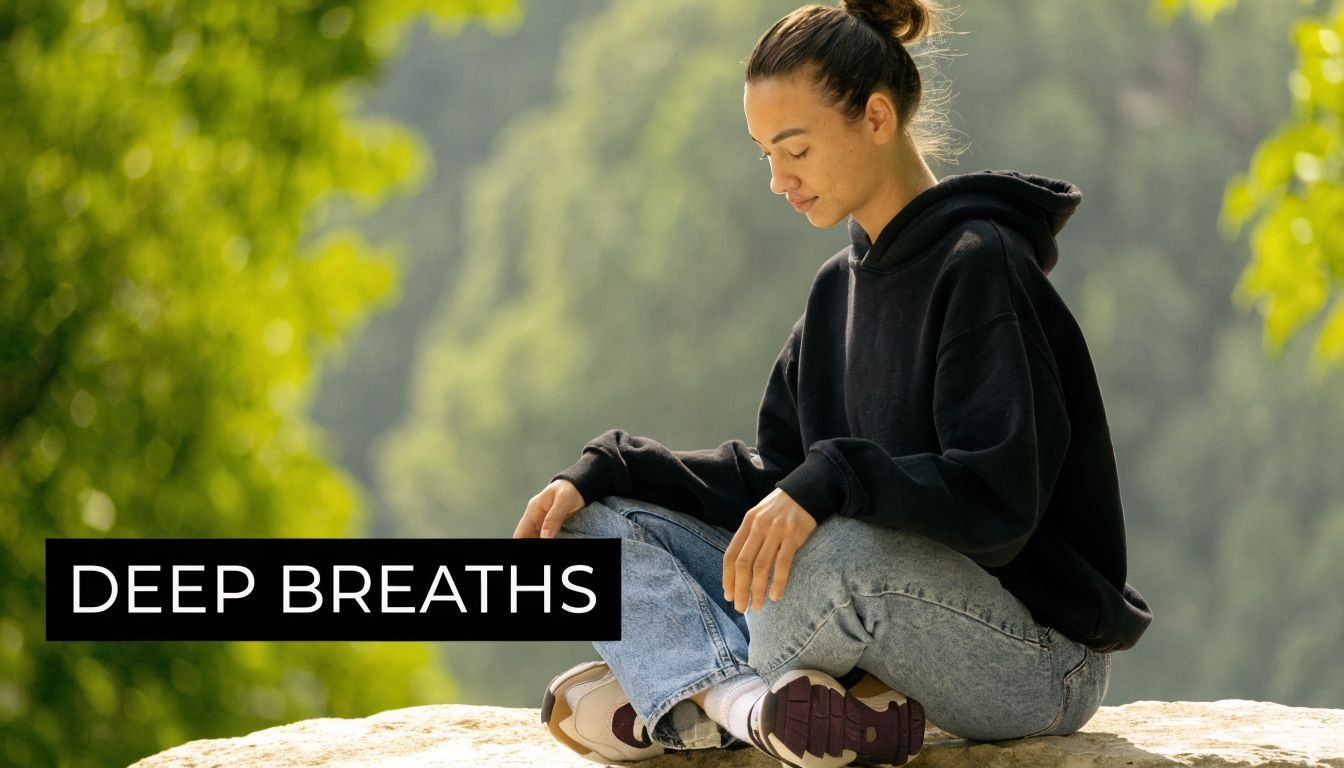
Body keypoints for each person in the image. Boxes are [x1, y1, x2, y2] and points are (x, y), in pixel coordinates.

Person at [513, 1, 1152, 765]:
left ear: (876, 117)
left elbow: (998, 504)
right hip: (865, 622)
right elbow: (777, 487)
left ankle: (690, 695)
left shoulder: (981, 265)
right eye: (765, 155)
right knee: (590, 531)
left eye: (796, 149)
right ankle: (744, 704)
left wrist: (837, 479)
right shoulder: (834, 292)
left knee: (831, 555)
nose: (778, 179)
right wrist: (614, 466)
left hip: (1036, 660)